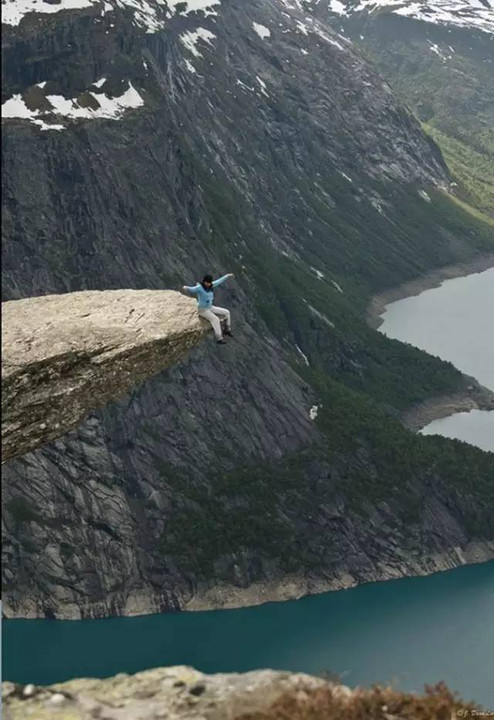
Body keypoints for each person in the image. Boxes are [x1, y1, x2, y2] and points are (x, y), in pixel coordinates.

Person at [182, 273, 235, 344]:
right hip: (202, 309)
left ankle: (227, 330)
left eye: (209, 283)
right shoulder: (199, 288)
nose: (208, 284)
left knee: (227, 312)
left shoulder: (211, 286)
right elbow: (192, 289)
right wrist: (185, 287)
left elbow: (219, 281)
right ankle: (219, 338)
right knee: (215, 319)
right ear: (204, 281)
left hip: (210, 307)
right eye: (207, 283)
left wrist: (227, 276)